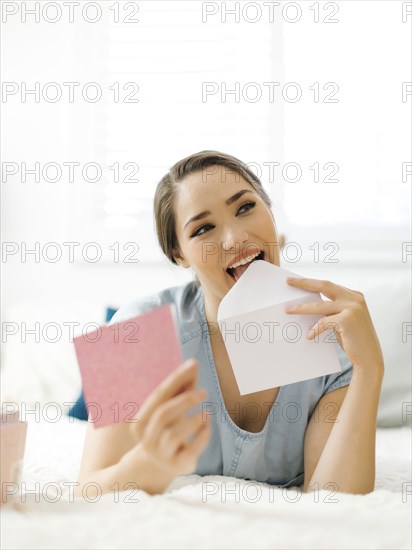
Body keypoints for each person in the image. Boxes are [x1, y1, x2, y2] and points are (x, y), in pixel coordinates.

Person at [75, 150, 384, 497]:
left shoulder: (333, 345)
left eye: (245, 207)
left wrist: (369, 368)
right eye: (203, 228)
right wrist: (150, 464)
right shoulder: (134, 331)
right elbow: (89, 489)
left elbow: (336, 499)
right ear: (179, 255)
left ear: (270, 211)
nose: (235, 238)